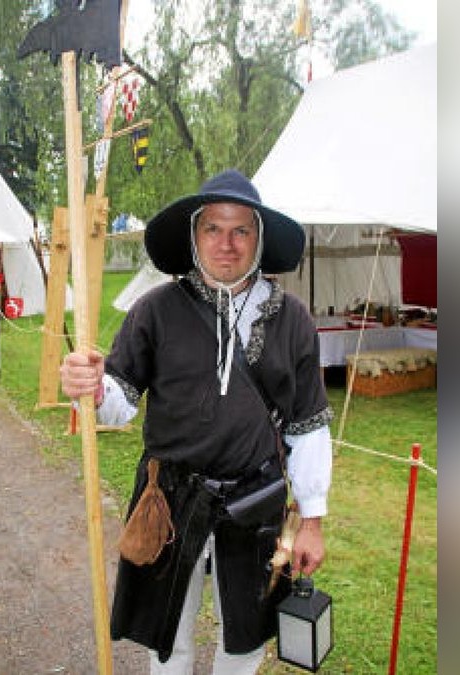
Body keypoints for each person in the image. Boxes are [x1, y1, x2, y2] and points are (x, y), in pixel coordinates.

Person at [60, 169, 333, 674]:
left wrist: (311, 521)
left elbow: (307, 424)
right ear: (193, 236)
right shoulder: (156, 310)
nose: (226, 244)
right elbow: (120, 396)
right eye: (213, 228)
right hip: (168, 501)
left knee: (245, 639)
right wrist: (94, 387)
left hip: (255, 504)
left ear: (259, 238)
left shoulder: (292, 319)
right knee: (167, 637)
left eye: (240, 230)